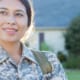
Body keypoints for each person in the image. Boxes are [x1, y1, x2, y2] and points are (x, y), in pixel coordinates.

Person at [0, 0, 68, 80]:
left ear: (28, 23)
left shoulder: (49, 62)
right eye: (3, 12)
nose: (11, 21)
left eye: (18, 14)